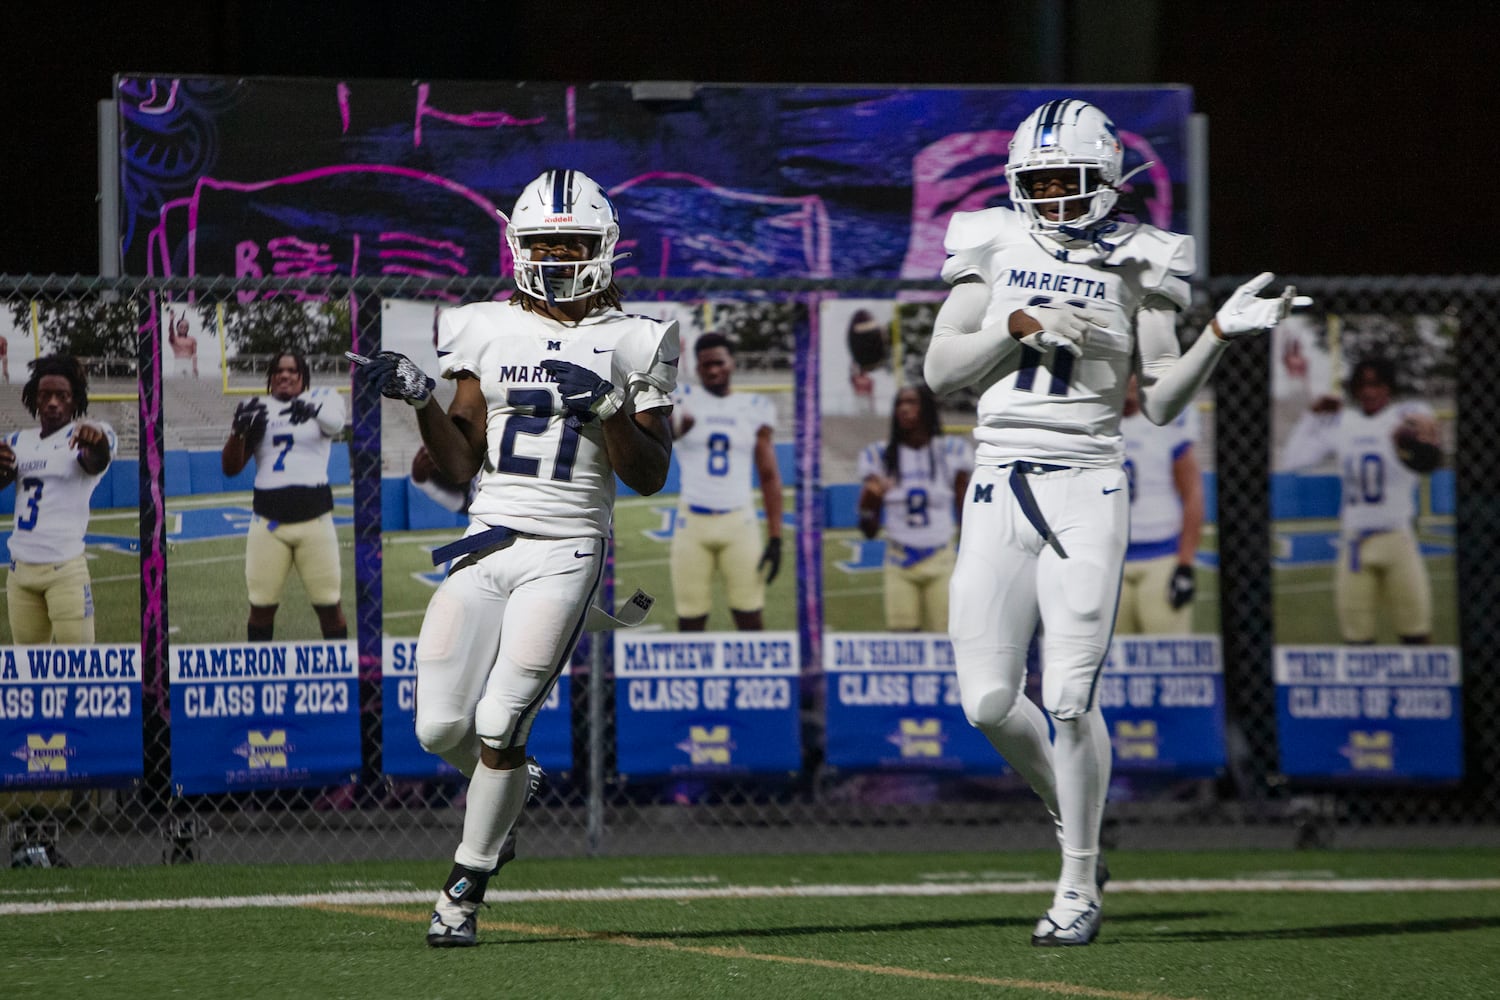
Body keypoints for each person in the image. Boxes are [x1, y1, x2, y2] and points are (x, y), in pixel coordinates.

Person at [922, 98, 1310, 947]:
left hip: (1087, 484)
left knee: (1066, 696)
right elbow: (939, 369)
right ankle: (1075, 809)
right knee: (989, 703)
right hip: (997, 482)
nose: (1055, 197)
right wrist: (1018, 323)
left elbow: (1163, 401)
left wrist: (1215, 333)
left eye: (1071, 180)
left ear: (1109, 180)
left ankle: (1078, 878)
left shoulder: (1145, 258)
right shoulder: (990, 240)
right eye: (1041, 181)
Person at [352, 168, 678, 948]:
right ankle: (507, 788)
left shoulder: (639, 336)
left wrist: (605, 408)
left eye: (573, 241)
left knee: (501, 719)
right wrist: (422, 399)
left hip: (567, 546)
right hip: (487, 539)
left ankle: (462, 890)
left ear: (603, 246)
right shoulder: (482, 327)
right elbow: (461, 464)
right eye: (544, 241)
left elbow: (651, 472)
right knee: (437, 728)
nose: (558, 254)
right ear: (516, 245)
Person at [1279, 356, 1441, 644]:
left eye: (1376, 384)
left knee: (1417, 637)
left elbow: (1428, 436)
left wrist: (1420, 430)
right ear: (1354, 389)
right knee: (1357, 642)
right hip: (1355, 544)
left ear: (1388, 387)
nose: (1369, 391)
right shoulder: (1343, 423)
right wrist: (1311, 417)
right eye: (1362, 385)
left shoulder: (1406, 415)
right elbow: (1292, 460)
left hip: (1397, 539)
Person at [221, 348, 349, 642]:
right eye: (279, 370)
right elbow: (231, 468)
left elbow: (337, 423)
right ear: (270, 377)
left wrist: (311, 409)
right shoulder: (254, 406)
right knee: (261, 608)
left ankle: (339, 676)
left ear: (303, 377)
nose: (285, 375)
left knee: (330, 608)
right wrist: (238, 431)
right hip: (268, 522)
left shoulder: (323, 398)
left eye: (293, 370)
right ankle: (260, 680)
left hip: (314, 520)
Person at [670, 332, 782, 631]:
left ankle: (755, 679)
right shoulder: (683, 399)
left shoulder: (754, 406)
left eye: (718, 362)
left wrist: (775, 537)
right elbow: (660, 435)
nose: (713, 370)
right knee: (690, 619)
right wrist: (676, 427)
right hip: (692, 522)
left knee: (750, 616)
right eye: (705, 365)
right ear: (697, 367)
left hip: (739, 522)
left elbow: (769, 475)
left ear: (732, 363)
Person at [0, 355, 117, 642]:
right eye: (45, 395)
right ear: (34, 400)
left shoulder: (86, 435)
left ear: (74, 400)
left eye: (61, 396)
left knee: (80, 669)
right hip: (19, 571)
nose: (52, 402)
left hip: (64, 569)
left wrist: (97, 440)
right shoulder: (16, 441)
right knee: (28, 669)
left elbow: (97, 459)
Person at [856, 384, 973, 633]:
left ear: (928, 409)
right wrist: (872, 498)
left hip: (941, 556)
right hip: (899, 559)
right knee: (902, 644)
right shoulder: (879, 456)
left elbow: (966, 511)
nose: (905, 409)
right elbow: (867, 528)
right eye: (899, 403)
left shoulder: (951, 451)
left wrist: (971, 558)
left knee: (947, 640)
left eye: (912, 402)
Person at [1115, 374, 1205, 635]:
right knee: (1111, 665)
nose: (1130, 382)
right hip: (1109, 558)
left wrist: (1186, 564)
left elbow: (1192, 493)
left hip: (1162, 555)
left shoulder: (1170, 418)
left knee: (1168, 659)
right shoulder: (1091, 417)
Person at [168, 309, 199, 377]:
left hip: (189, 363)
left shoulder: (192, 339)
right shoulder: (174, 339)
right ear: (177, 328)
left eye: (186, 327)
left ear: (188, 328)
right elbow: (171, 332)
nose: (183, 329)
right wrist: (171, 321)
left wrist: (195, 367)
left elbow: (194, 354)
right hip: (178, 363)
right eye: (181, 327)